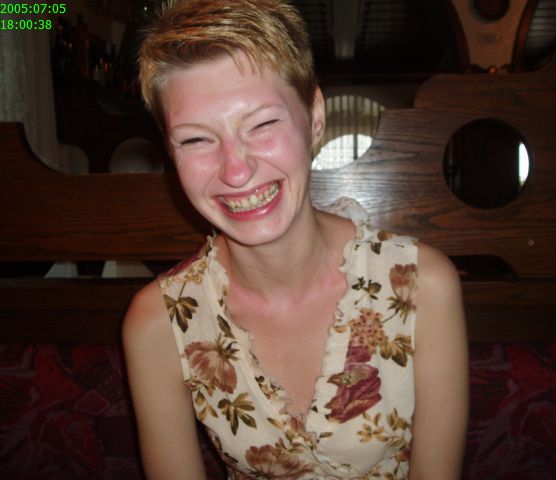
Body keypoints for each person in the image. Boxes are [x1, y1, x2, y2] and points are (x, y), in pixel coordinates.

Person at [123, 0, 468, 478]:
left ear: (315, 115)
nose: (236, 171)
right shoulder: (158, 323)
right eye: (196, 139)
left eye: (263, 124)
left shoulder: (422, 283)